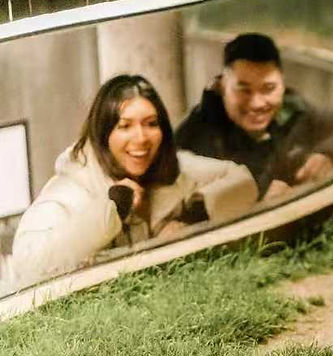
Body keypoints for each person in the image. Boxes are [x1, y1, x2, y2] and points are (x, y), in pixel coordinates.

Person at [11, 75, 258, 285]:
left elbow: (242, 179)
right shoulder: (71, 190)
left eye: (151, 124)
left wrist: (193, 214)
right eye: (124, 126)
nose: (141, 138)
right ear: (103, 133)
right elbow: (28, 265)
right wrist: (112, 209)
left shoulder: (174, 169)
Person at [175, 33, 333, 199]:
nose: (258, 104)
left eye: (269, 89)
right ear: (222, 86)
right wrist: (258, 205)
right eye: (244, 91)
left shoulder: (294, 111)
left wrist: (327, 154)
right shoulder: (194, 137)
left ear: (282, 84)